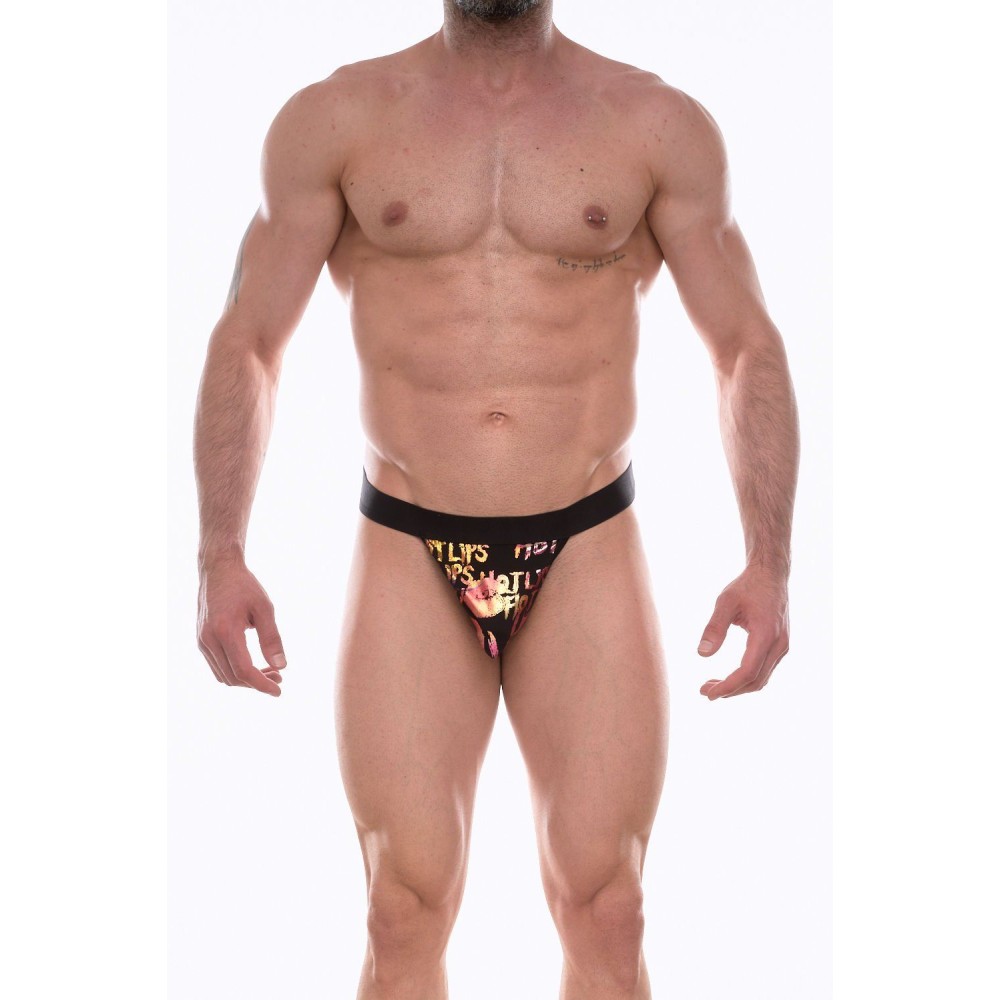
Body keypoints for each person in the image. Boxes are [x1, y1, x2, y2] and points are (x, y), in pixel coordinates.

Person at [193, 1, 799, 996]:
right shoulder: (337, 119)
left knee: (608, 907)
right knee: (402, 908)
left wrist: (768, 560)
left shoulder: (654, 124)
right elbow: (248, 341)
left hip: (585, 538)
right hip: (409, 541)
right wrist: (221, 551)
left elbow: (745, 346)